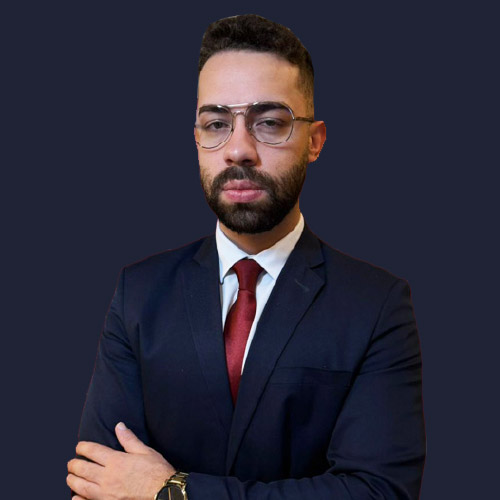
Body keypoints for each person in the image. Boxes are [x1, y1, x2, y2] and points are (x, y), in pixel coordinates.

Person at [67, 14, 426, 500]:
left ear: (314, 141)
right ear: (197, 138)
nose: (238, 149)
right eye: (216, 123)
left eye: (270, 123)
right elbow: (96, 483)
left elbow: (379, 492)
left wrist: (172, 491)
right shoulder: (139, 293)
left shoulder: (376, 305)